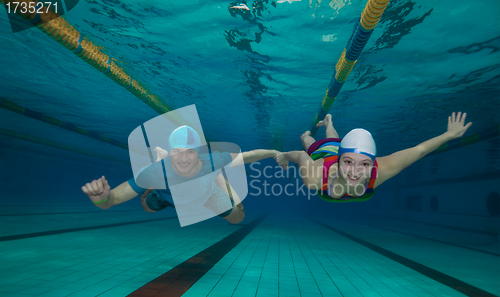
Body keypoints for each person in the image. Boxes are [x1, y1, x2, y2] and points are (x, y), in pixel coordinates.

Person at [82, 125, 282, 224]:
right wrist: (101, 199)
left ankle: (216, 179)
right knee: (148, 207)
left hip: (207, 195)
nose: (184, 158)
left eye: (190, 151)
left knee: (238, 217)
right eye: (177, 151)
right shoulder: (157, 173)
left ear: (200, 154)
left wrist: (273, 153)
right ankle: (159, 163)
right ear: (171, 152)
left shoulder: (212, 160)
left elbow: (247, 156)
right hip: (167, 196)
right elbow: (113, 199)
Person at [274, 112, 472, 202]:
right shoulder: (316, 177)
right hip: (324, 154)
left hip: (339, 150)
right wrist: (284, 156)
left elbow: (419, 150)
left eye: (365, 164)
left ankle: (329, 122)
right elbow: (301, 155)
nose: (355, 172)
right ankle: (315, 130)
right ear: (340, 161)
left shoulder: (382, 170)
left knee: (334, 139)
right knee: (309, 143)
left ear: (372, 164)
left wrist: (449, 135)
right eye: (349, 163)